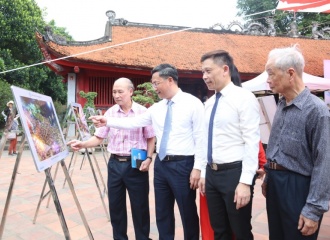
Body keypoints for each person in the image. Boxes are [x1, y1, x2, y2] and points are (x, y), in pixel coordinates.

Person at [89, 63, 204, 240]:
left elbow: (201, 137)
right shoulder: (157, 108)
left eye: (156, 83)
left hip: (184, 164)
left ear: (170, 80)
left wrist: (198, 167)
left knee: (187, 210)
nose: (154, 87)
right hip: (161, 165)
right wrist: (107, 121)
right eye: (152, 83)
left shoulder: (192, 103)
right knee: (162, 212)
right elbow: (132, 123)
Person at [67, 78, 155, 240]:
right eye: (114, 92)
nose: (116, 95)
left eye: (120, 91)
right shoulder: (110, 113)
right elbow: (98, 137)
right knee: (116, 206)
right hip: (114, 164)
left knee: (140, 206)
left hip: (136, 163)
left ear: (130, 91)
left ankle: (142, 237)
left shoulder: (143, 112)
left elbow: (150, 137)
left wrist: (149, 157)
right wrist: (82, 144)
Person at [262, 45, 330, 239]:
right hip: (276, 184)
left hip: (298, 187)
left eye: (271, 74)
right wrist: (269, 176)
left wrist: (313, 209)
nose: (268, 80)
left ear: (290, 73)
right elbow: (276, 145)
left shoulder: (317, 111)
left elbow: (324, 163)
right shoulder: (282, 104)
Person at [198, 50, 260, 240]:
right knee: (220, 231)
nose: (204, 77)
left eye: (208, 71)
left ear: (225, 69)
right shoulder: (209, 104)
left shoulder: (244, 98)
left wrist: (245, 182)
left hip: (234, 173)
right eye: (202, 72)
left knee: (241, 231)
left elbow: (251, 141)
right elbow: (204, 139)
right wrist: (203, 171)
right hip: (212, 174)